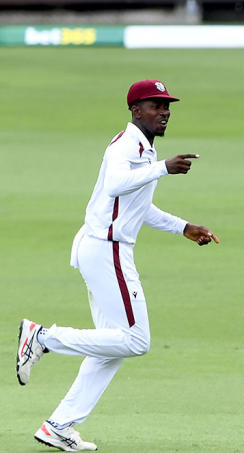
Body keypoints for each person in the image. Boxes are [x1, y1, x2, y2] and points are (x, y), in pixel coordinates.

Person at [16, 80, 220, 451]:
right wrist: (162, 168)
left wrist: (183, 227)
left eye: (166, 106)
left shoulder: (143, 149)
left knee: (113, 348)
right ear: (135, 110)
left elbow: (138, 207)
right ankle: (42, 338)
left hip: (104, 248)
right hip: (105, 249)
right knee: (136, 340)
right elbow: (115, 185)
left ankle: (58, 425)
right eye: (155, 106)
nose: (164, 112)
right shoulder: (126, 146)